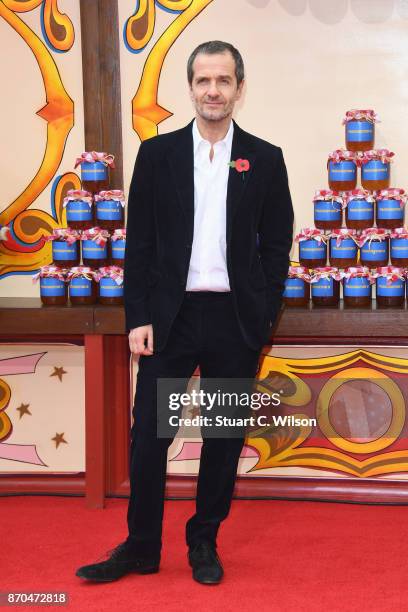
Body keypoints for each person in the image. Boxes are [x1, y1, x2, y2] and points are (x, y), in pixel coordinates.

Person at [76, 40, 293, 585]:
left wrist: (261, 317)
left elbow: (276, 246)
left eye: (223, 80)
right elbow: (140, 243)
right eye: (203, 80)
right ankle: (141, 546)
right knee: (150, 435)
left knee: (222, 439)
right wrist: (138, 317)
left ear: (239, 88)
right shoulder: (158, 154)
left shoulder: (265, 159)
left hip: (234, 323)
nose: (213, 90)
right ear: (191, 87)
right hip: (169, 321)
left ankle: (204, 544)